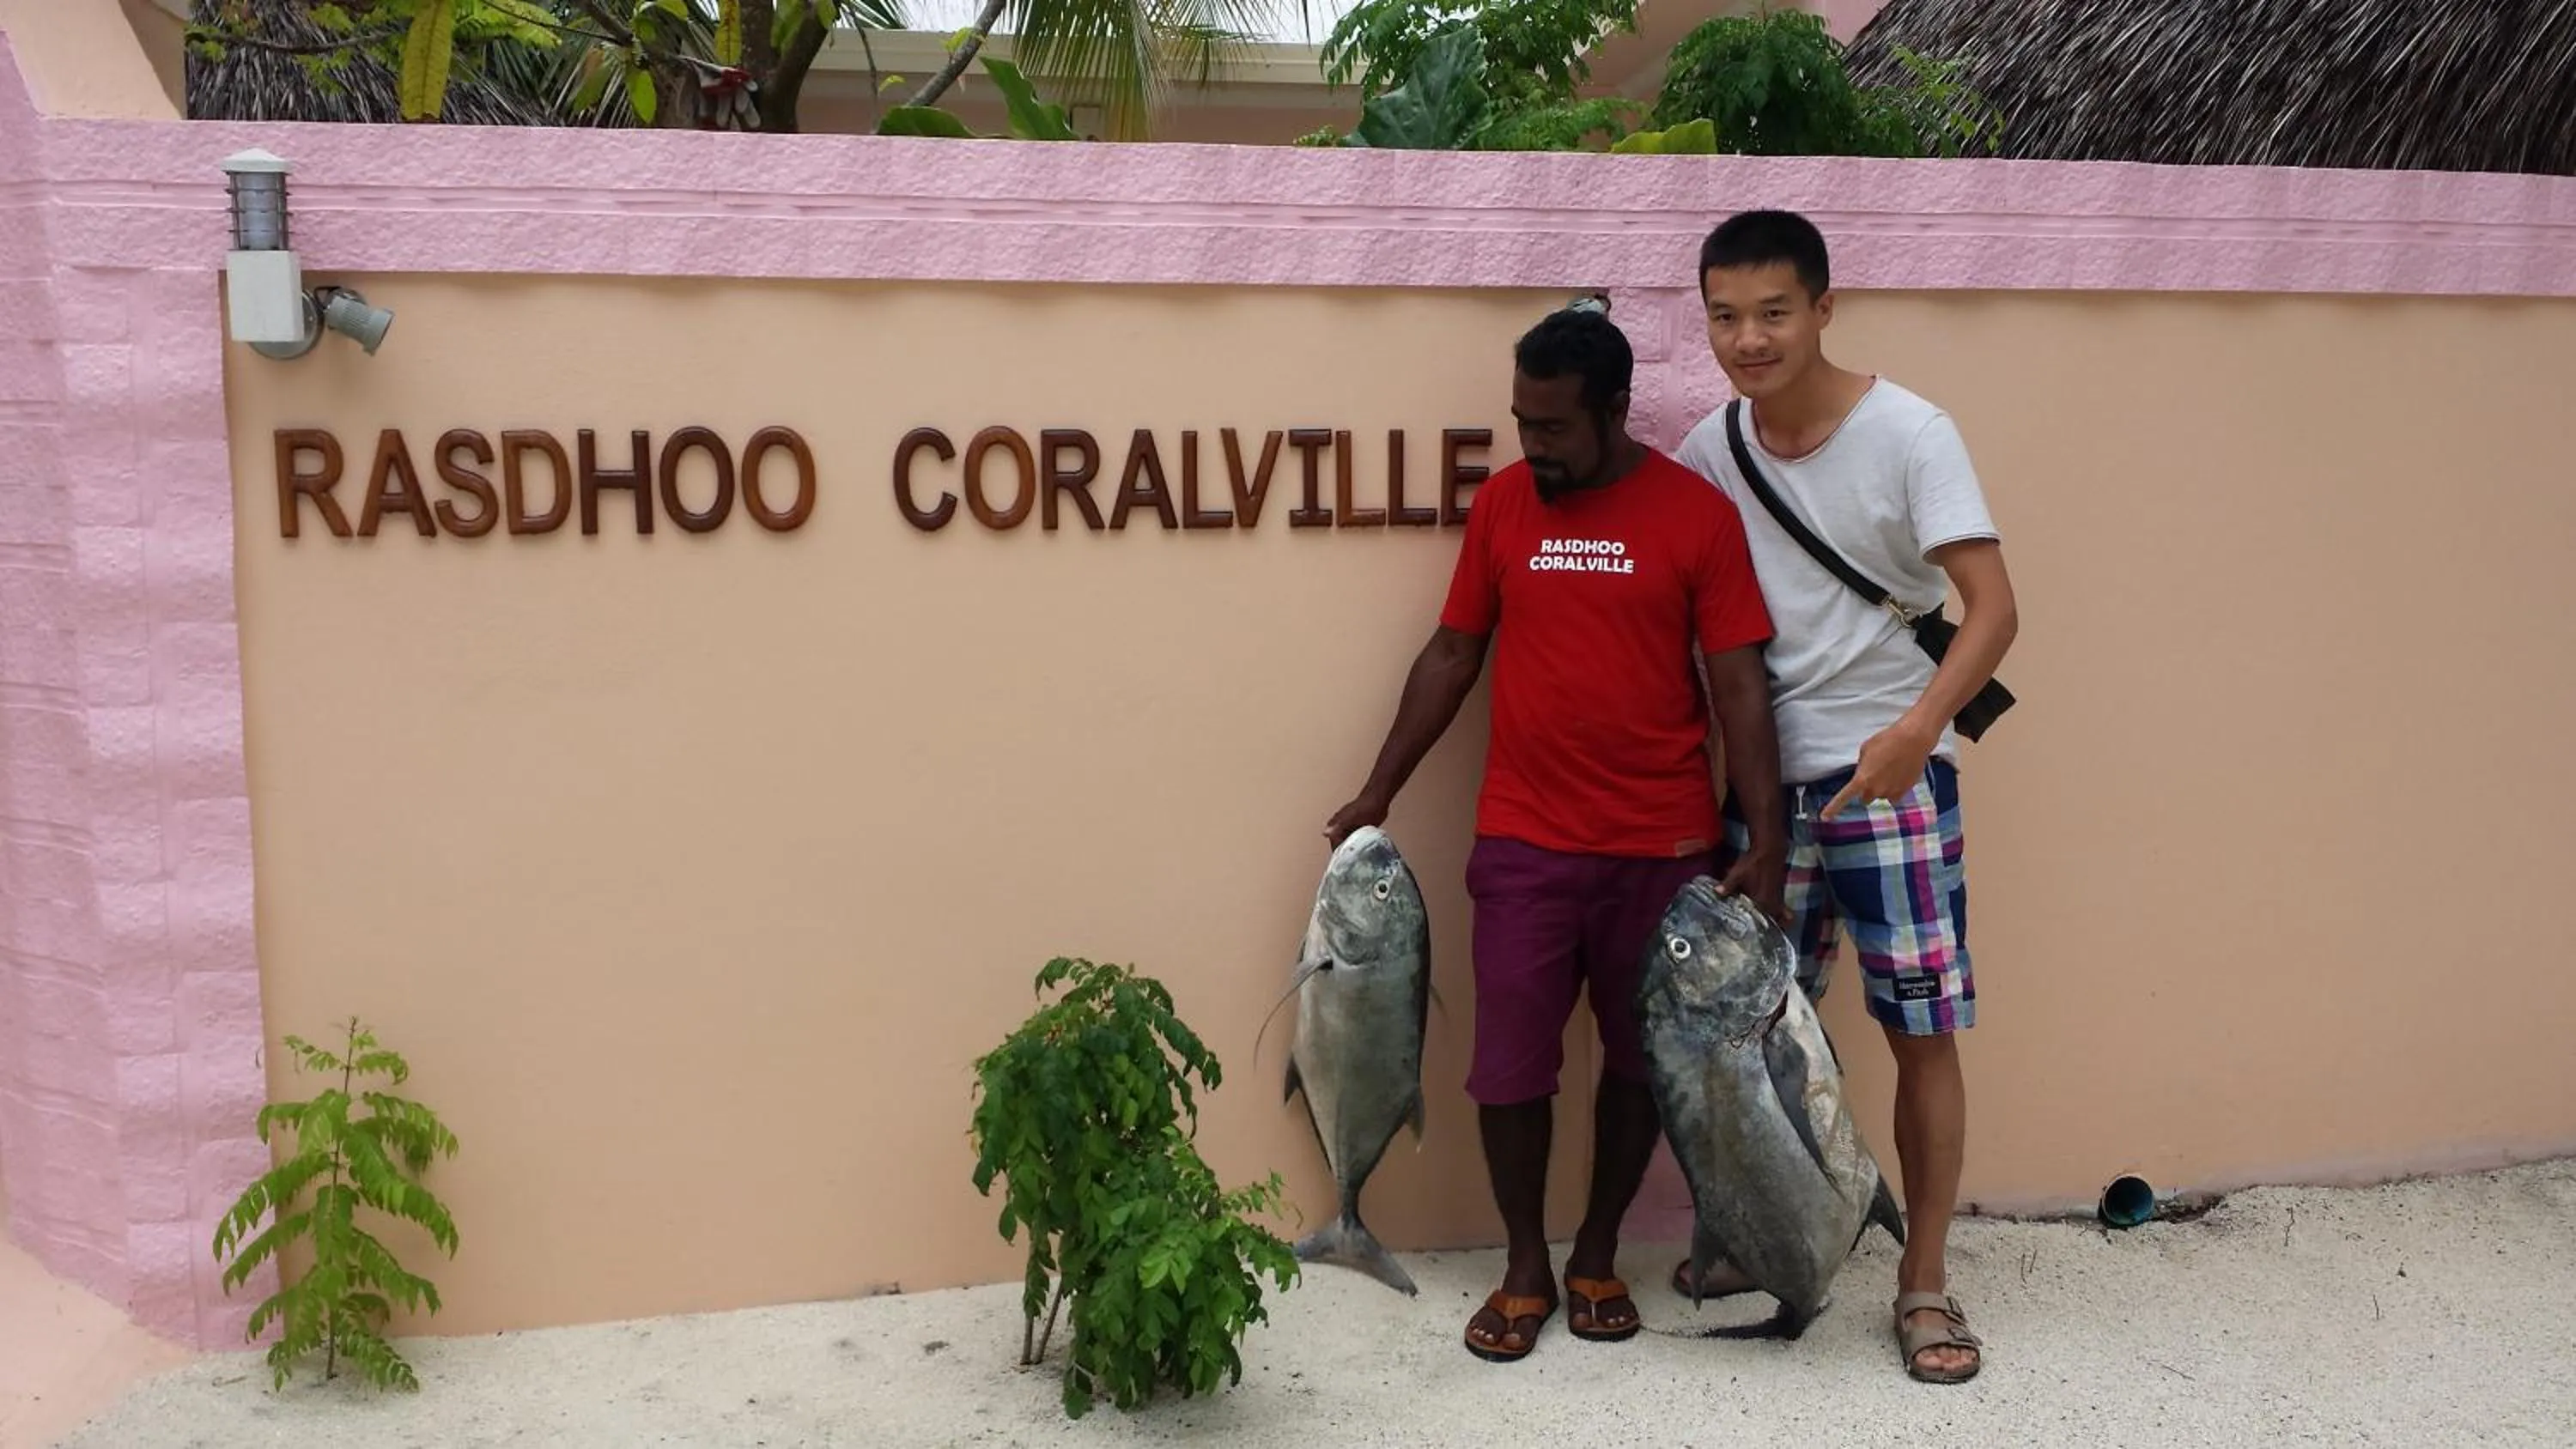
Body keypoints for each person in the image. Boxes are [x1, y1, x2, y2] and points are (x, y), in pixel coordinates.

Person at [1322, 305, 1789, 1364]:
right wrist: (1377, 790)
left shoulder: (1694, 517)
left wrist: (1762, 837)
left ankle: (1596, 1255)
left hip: (1662, 852)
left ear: (1617, 410)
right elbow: (1452, 653)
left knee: (1639, 1066)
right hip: (1527, 841)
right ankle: (1525, 1264)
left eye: (1555, 427)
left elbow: (1739, 684)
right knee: (1509, 1068)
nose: (1534, 445)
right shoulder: (1503, 509)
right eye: (1522, 421)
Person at [1670, 209, 2020, 1385]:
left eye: (1773, 312)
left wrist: (1916, 736)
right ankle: (1767, 1234)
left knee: (1919, 1027)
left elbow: (1993, 610)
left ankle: (1923, 1283)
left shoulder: (1912, 433)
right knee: (1763, 1032)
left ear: (1825, 307)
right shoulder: (1712, 449)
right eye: (1726, 316)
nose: (1749, 339)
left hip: (1894, 782)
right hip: (1766, 788)